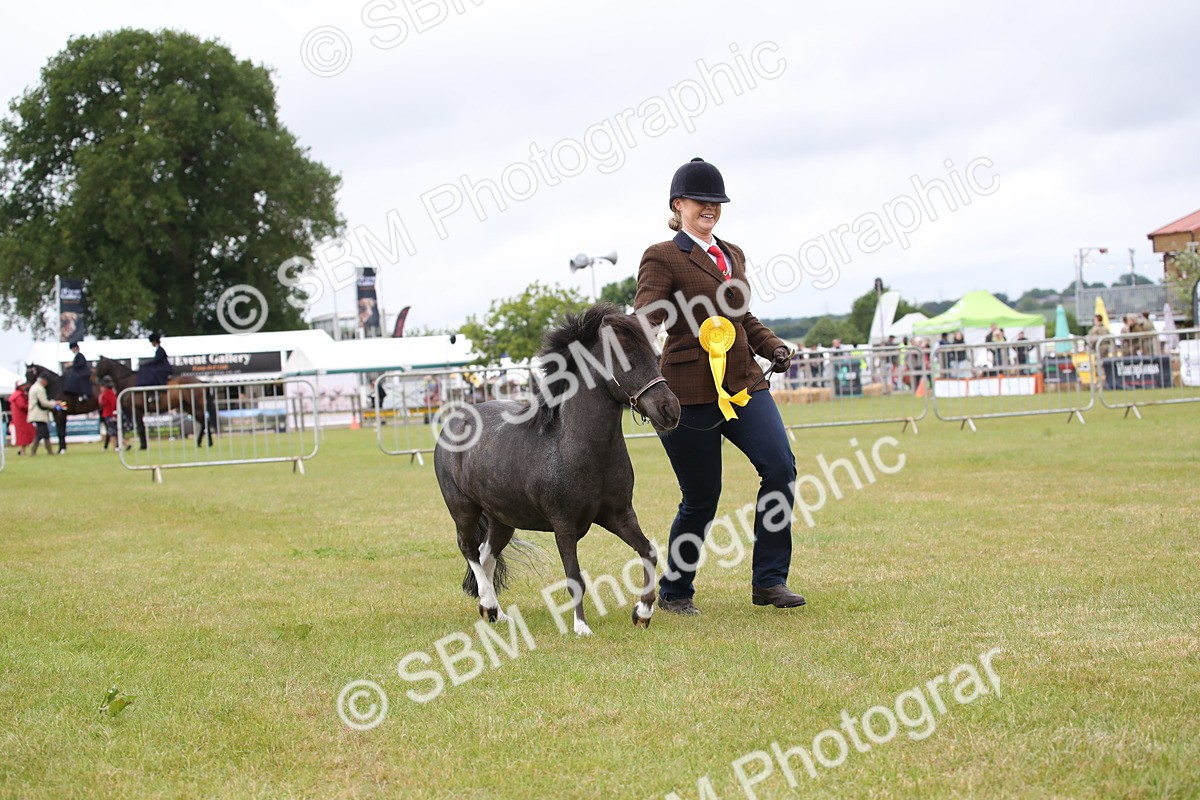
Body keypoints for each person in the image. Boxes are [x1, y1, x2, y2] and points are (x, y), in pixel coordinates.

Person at [634, 157, 803, 615]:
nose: (710, 208)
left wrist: (773, 348)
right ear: (679, 205)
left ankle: (770, 581)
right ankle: (675, 591)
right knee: (702, 497)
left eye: (716, 201)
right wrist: (636, 337)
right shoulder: (662, 255)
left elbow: (741, 317)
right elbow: (647, 312)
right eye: (701, 201)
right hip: (687, 392)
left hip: (744, 382)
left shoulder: (733, 253)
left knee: (781, 468)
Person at [26, 374, 57, 455]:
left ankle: (48, 451)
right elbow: (44, 402)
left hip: (35, 413)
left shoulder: (34, 387)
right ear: (43, 381)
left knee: (44, 433)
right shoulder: (40, 389)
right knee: (41, 433)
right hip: (39, 414)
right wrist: (55, 403)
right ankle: (34, 451)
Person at [8, 382, 34, 456]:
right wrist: (30, 406)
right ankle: (23, 451)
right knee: (25, 434)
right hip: (22, 418)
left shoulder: (17, 395)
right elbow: (22, 406)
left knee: (23, 434)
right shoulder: (19, 395)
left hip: (19, 418)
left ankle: (21, 450)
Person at [98, 376, 119, 450]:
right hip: (106, 414)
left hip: (109, 414)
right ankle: (122, 445)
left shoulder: (108, 394)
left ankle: (117, 446)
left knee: (112, 432)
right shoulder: (104, 394)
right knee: (111, 431)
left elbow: (113, 404)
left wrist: (113, 414)